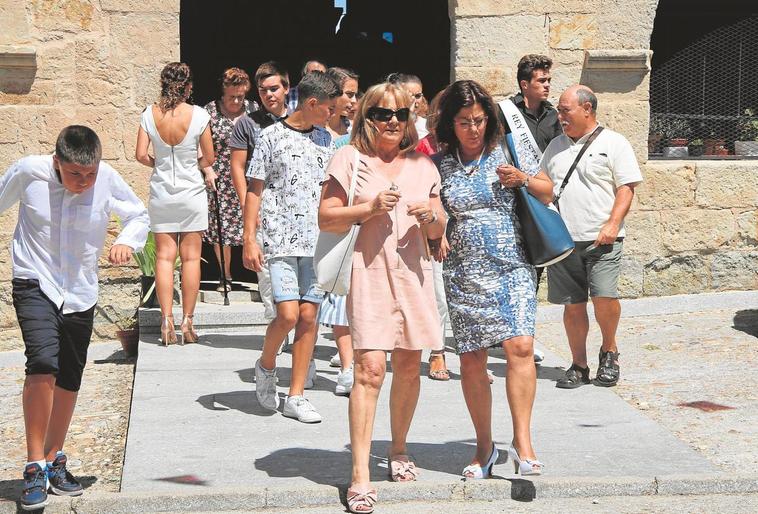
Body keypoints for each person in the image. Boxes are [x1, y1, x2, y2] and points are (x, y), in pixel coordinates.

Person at [1, 126, 149, 510]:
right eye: (74, 175)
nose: (83, 182)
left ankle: (54, 459)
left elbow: (138, 216)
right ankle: (34, 466)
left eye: (90, 175)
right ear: (56, 163)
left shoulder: (108, 178)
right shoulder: (28, 171)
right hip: (34, 281)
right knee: (43, 362)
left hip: (81, 289)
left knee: (69, 374)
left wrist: (125, 242)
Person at [319, 82, 446, 514]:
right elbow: (327, 218)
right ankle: (359, 474)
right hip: (370, 272)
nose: (393, 122)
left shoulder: (423, 164)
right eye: (383, 115)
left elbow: (438, 230)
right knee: (370, 370)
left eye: (401, 115)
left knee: (409, 366)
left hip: (413, 273)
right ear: (367, 118)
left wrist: (432, 219)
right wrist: (368, 208)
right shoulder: (349, 159)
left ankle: (398, 449)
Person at [435, 80, 554, 479]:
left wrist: (522, 179)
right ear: (451, 124)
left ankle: (524, 443)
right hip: (464, 269)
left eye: (480, 120)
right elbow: (433, 211)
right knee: (471, 359)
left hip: (512, 262)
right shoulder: (439, 162)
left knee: (520, 346)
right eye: (465, 121)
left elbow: (547, 190)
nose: (474, 128)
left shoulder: (508, 150)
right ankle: (483, 446)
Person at [243, 71, 340, 423]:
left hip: (317, 242)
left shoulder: (326, 140)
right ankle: (266, 365)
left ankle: (296, 395)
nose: (332, 114)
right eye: (329, 108)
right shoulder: (269, 137)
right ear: (313, 104)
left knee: (309, 316)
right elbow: (254, 190)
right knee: (287, 314)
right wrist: (249, 238)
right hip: (280, 241)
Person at [542, 85, 643, 389]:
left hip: (603, 239)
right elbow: (544, 184)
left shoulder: (615, 143)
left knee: (604, 298)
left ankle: (609, 351)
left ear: (587, 109)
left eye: (565, 109)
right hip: (563, 240)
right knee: (572, 305)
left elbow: (626, 188)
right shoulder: (555, 146)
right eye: (559, 110)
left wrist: (613, 223)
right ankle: (579, 365)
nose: (560, 116)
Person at [136, 62, 215, 346]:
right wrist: (194, 166)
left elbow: (140, 155)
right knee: (191, 258)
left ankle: (166, 318)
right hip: (191, 191)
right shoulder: (199, 115)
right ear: (189, 86)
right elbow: (210, 156)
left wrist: (159, 164)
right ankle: (188, 321)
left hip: (161, 192)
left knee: (164, 257)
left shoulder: (149, 114)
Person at [498, 54, 564, 363]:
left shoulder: (555, 117)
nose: (548, 85)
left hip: (539, 197)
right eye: (542, 80)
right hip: (509, 198)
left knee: (534, 269)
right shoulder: (504, 113)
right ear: (525, 84)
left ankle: (525, 333)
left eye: (548, 80)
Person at [229, 61, 290, 323]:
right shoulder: (247, 124)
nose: (269, 95)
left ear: (286, 88)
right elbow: (237, 167)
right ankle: (275, 321)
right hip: (262, 202)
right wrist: (247, 208)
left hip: (293, 202)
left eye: (274, 88)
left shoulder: (300, 120)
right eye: (264, 90)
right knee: (265, 270)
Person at [320, 66, 361, 395]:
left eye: (356, 94)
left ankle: (348, 366)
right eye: (348, 93)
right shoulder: (314, 134)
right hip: (310, 222)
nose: (353, 100)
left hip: (345, 222)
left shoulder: (357, 135)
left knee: (341, 295)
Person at [203, 67, 254, 292]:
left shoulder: (253, 110)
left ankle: (258, 274)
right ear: (223, 92)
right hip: (221, 177)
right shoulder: (210, 112)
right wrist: (207, 170)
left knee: (253, 224)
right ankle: (226, 275)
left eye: (240, 96)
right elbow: (199, 145)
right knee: (221, 228)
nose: (235, 101)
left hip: (250, 176)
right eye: (231, 96)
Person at [388, 73, 427, 139]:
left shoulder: (427, 127)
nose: (413, 101)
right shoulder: (390, 124)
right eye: (408, 96)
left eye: (418, 96)